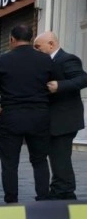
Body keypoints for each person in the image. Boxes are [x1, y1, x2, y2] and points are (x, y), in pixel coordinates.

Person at [0, 24, 55, 203]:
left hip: (11, 117)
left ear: (11, 39)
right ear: (30, 38)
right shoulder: (46, 60)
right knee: (40, 160)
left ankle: (11, 201)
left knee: (10, 163)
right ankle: (43, 198)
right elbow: (52, 85)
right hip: (39, 117)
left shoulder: (2, 60)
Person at [34, 31, 87, 200]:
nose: (36, 51)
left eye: (38, 47)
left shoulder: (67, 59)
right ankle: (59, 189)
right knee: (56, 156)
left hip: (65, 120)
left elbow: (83, 79)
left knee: (60, 157)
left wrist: (60, 85)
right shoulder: (47, 62)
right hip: (54, 120)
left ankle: (65, 192)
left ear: (51, 44)